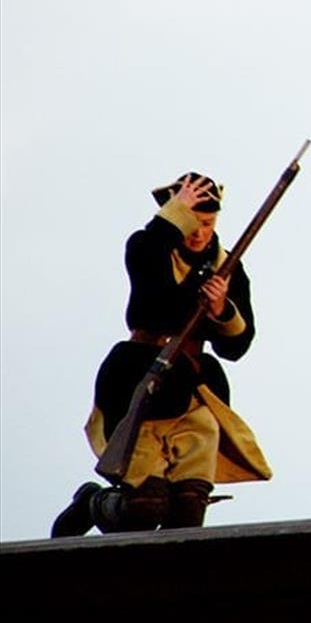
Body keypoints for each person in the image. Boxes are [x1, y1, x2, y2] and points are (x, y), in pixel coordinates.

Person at [53, 174, 272, 536]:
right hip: (139, 374)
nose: (199, 232)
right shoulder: (147, 246)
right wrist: (174, 219)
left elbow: (237, 346)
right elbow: (153, 309)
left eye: (207, 222)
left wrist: (221, 311)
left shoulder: (229, 267)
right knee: (145, 505)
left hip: (193, 383)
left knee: (189, 502)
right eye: (191, 220)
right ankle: (96, 504)